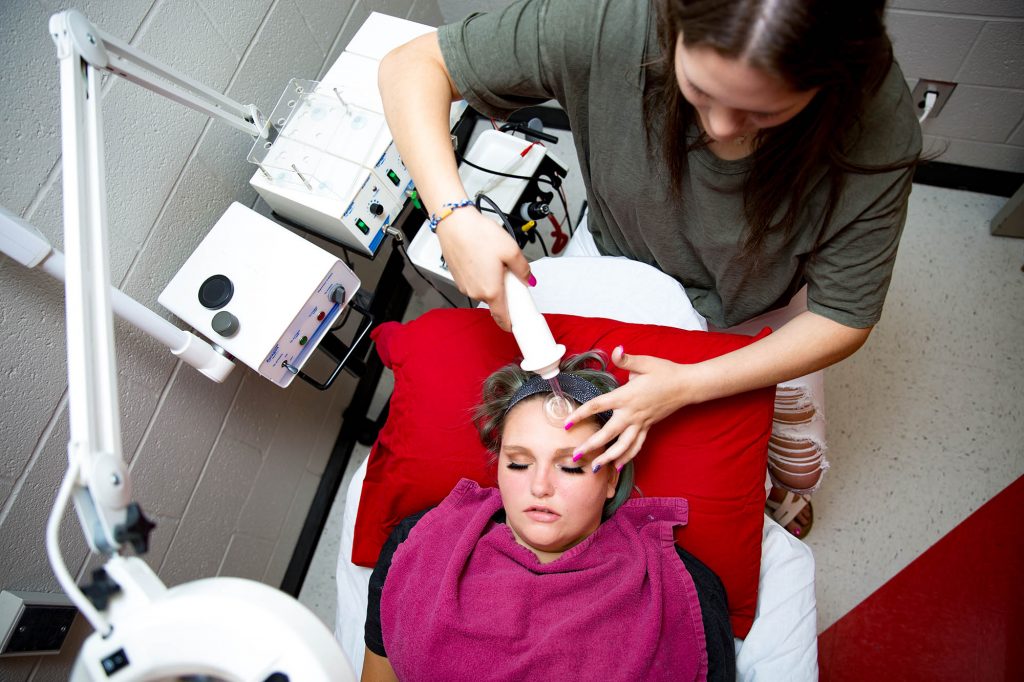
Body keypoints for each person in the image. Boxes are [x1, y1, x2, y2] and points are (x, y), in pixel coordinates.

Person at [378, 0, 922, 538]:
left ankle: (778, 491)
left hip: (762, 306)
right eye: (701, 93)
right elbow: (410, 65)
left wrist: (690, 384)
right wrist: (451, 214)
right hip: (615, 254)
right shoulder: (614, 20)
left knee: (797, 466)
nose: (723, 129)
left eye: (762, 113)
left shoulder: (874, 123)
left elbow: (844, 318)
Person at [361, 353, 735, 681]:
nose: (540, 486)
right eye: (519, 463)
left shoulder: (683, 594)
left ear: (610, 478)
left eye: (570, 467)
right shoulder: (420, 546)